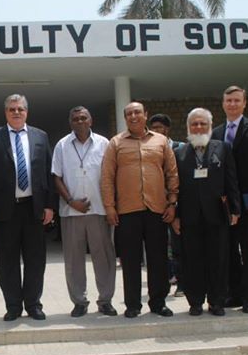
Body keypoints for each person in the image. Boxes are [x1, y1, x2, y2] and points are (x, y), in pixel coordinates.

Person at [0, 94, 54, 321]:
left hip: (34, 208)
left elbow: (49, 174)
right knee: (7, 260)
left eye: (20, 109)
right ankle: (13, 306)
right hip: (4, 210)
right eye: (12, 109)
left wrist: (50, 205)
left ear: (27, 112)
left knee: (35, 259)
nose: (16, 112)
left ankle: (33, 304)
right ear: (6, 113)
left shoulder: (41, 136)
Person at [100, 101, 179, 318]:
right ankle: (133, 305)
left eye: (137, 112)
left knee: (158, 259)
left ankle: (158, 302)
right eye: (129, 114)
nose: (133, 116)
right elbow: (107, 177)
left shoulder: (161, 141)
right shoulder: (116, 143)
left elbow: (172, 173)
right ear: (125, 118)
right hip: (126, 211)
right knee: (130, 260)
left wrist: (172, 203)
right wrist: (109, 207)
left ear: (145, 115)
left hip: (157, 209)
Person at [172, 108, 241, 316]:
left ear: (210, 126)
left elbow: (231, 180)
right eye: (195, 124)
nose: (199, 127)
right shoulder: (179, 153)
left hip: (217, 214)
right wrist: (175, 215)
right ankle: (195, 302)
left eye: (203, 124)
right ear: (188, 127)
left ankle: (217, 301)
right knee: (192, 260)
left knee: (218, 259)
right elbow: (174, 187)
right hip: (189, 216)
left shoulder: (223, 148)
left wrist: (235, 209)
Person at [212, 86, 248, 314]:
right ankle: (234, 294)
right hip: (225, 205)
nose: (232, 104)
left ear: (244, 103)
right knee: (229, 252)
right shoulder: (216, 133)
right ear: (223, 103)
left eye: (237, 100)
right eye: (229, 100)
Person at [52, 106, 117, 317]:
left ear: (91, 120)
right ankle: (79, 302)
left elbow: (111, 176)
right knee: (74, 259)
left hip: (99, 210)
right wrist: (71, 201)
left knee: (104, 257)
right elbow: (56, 177)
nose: (80, 121)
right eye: (75, 119)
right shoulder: (62, 145)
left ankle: (105, 300)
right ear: (70, 122)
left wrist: (110, 206)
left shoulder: (104, 143)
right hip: (71, 212)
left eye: (83, 118)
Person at [148, 113, 185, 298]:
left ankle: (182, 282)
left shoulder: (180, 148)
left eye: (159, 128)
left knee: (178, 244)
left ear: (167, 129)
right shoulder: (148, 148)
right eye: (153, 128)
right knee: (160, 246)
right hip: (155, 204)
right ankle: (165, 281)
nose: (156, 131)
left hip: (176, 203)